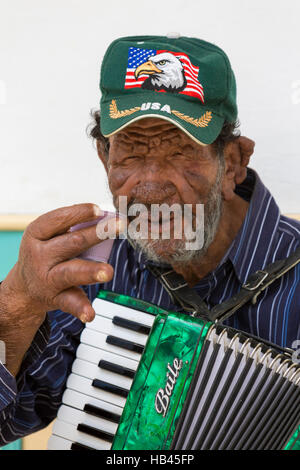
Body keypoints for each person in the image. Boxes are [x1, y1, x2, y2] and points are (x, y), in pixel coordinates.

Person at [0, 35, 299, 446]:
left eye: (180, 153)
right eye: (132, 154)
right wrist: (16, 304)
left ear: (231, 164)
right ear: (105, 160)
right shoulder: (95, 265)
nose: (152, 186)